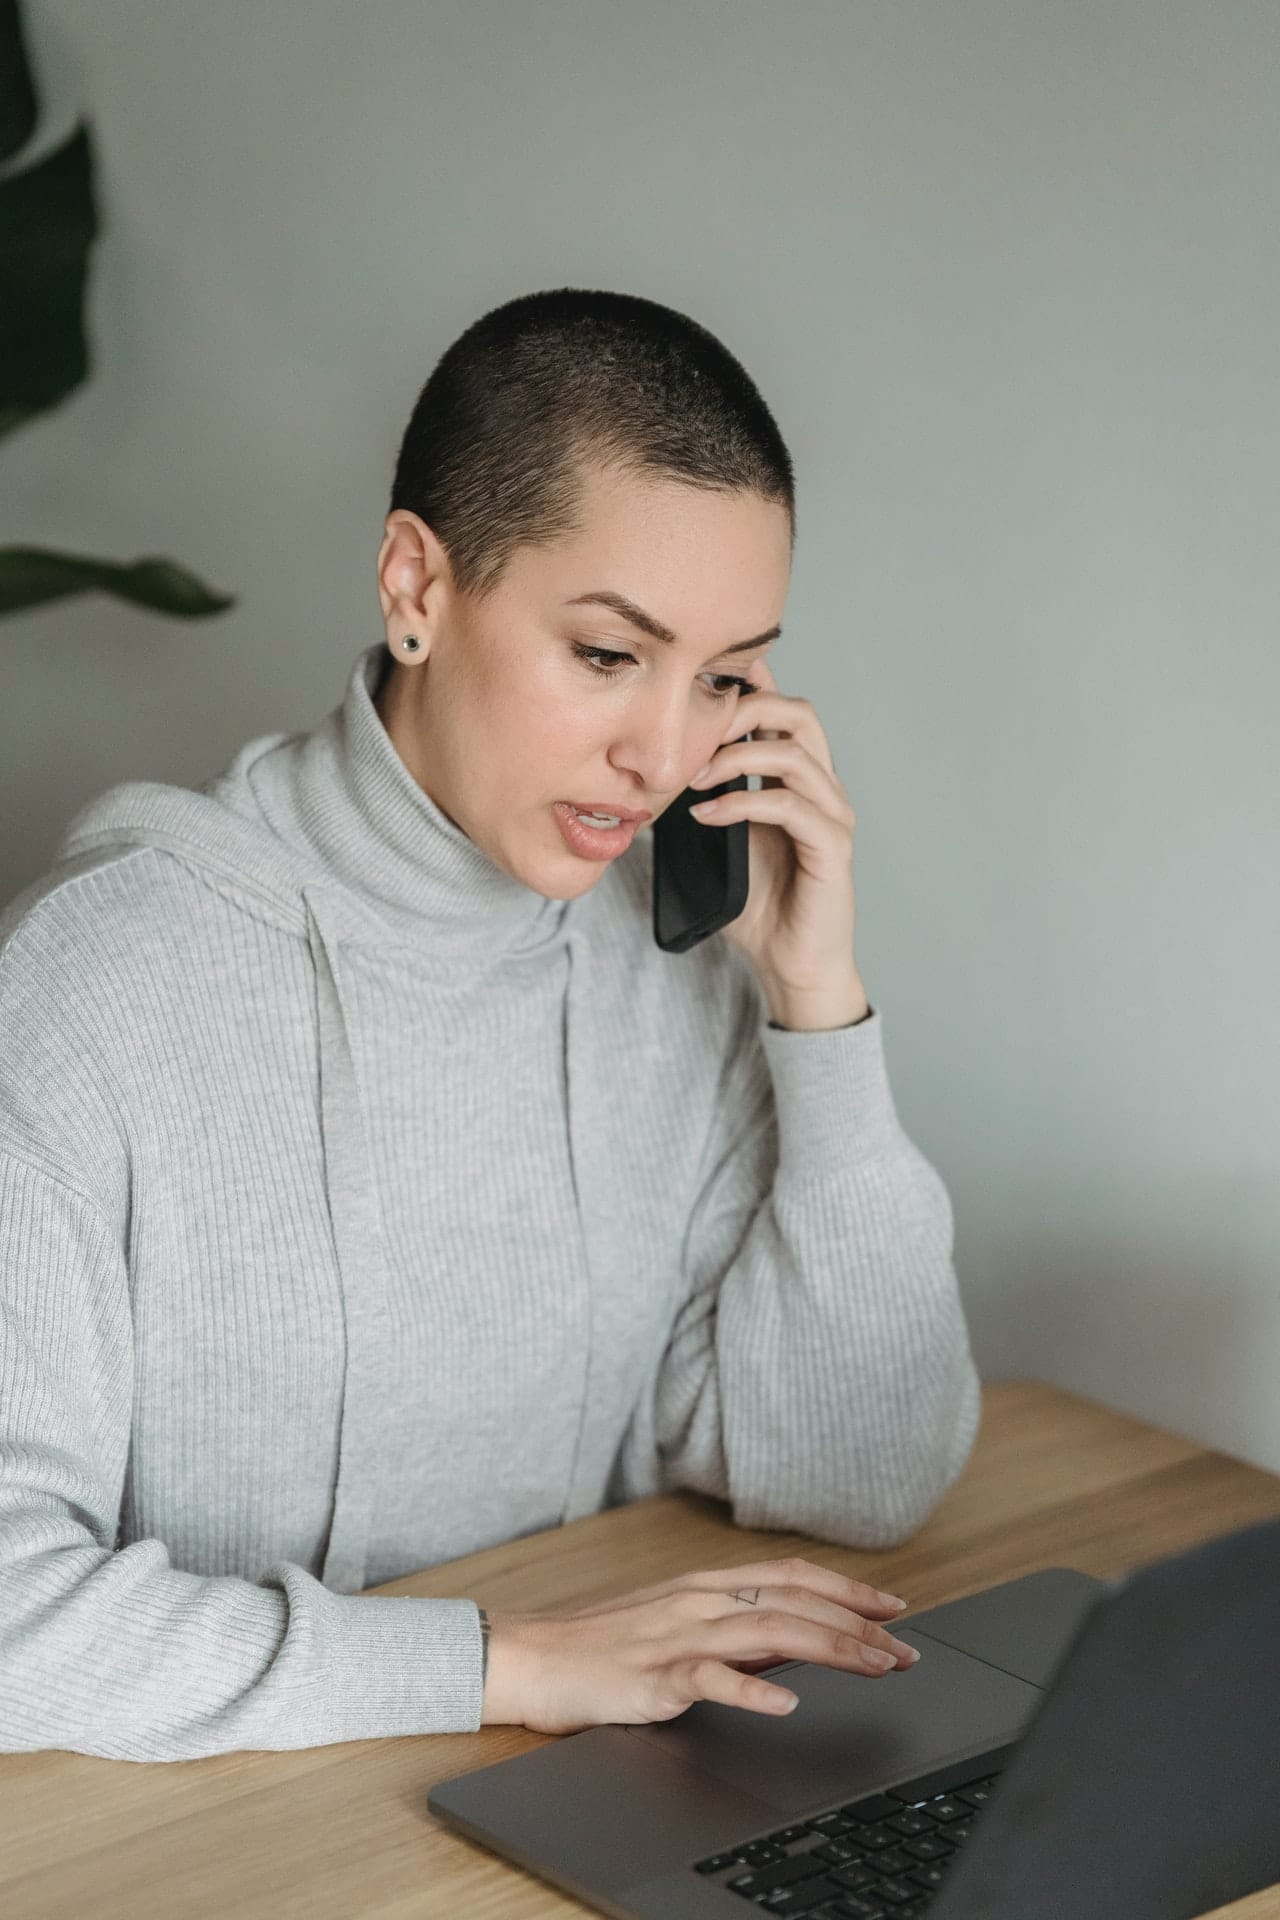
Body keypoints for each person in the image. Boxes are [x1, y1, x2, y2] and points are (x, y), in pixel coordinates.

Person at [0, 288, 980, 1760]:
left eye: (721, 678)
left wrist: (814, 1007)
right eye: (605, 654)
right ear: (415, 588)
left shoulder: (677, 971)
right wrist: (493, 1666)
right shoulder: (102, 979)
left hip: (555, 1802)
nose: (662, 755)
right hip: (221, 1848)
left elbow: (862, 1474)